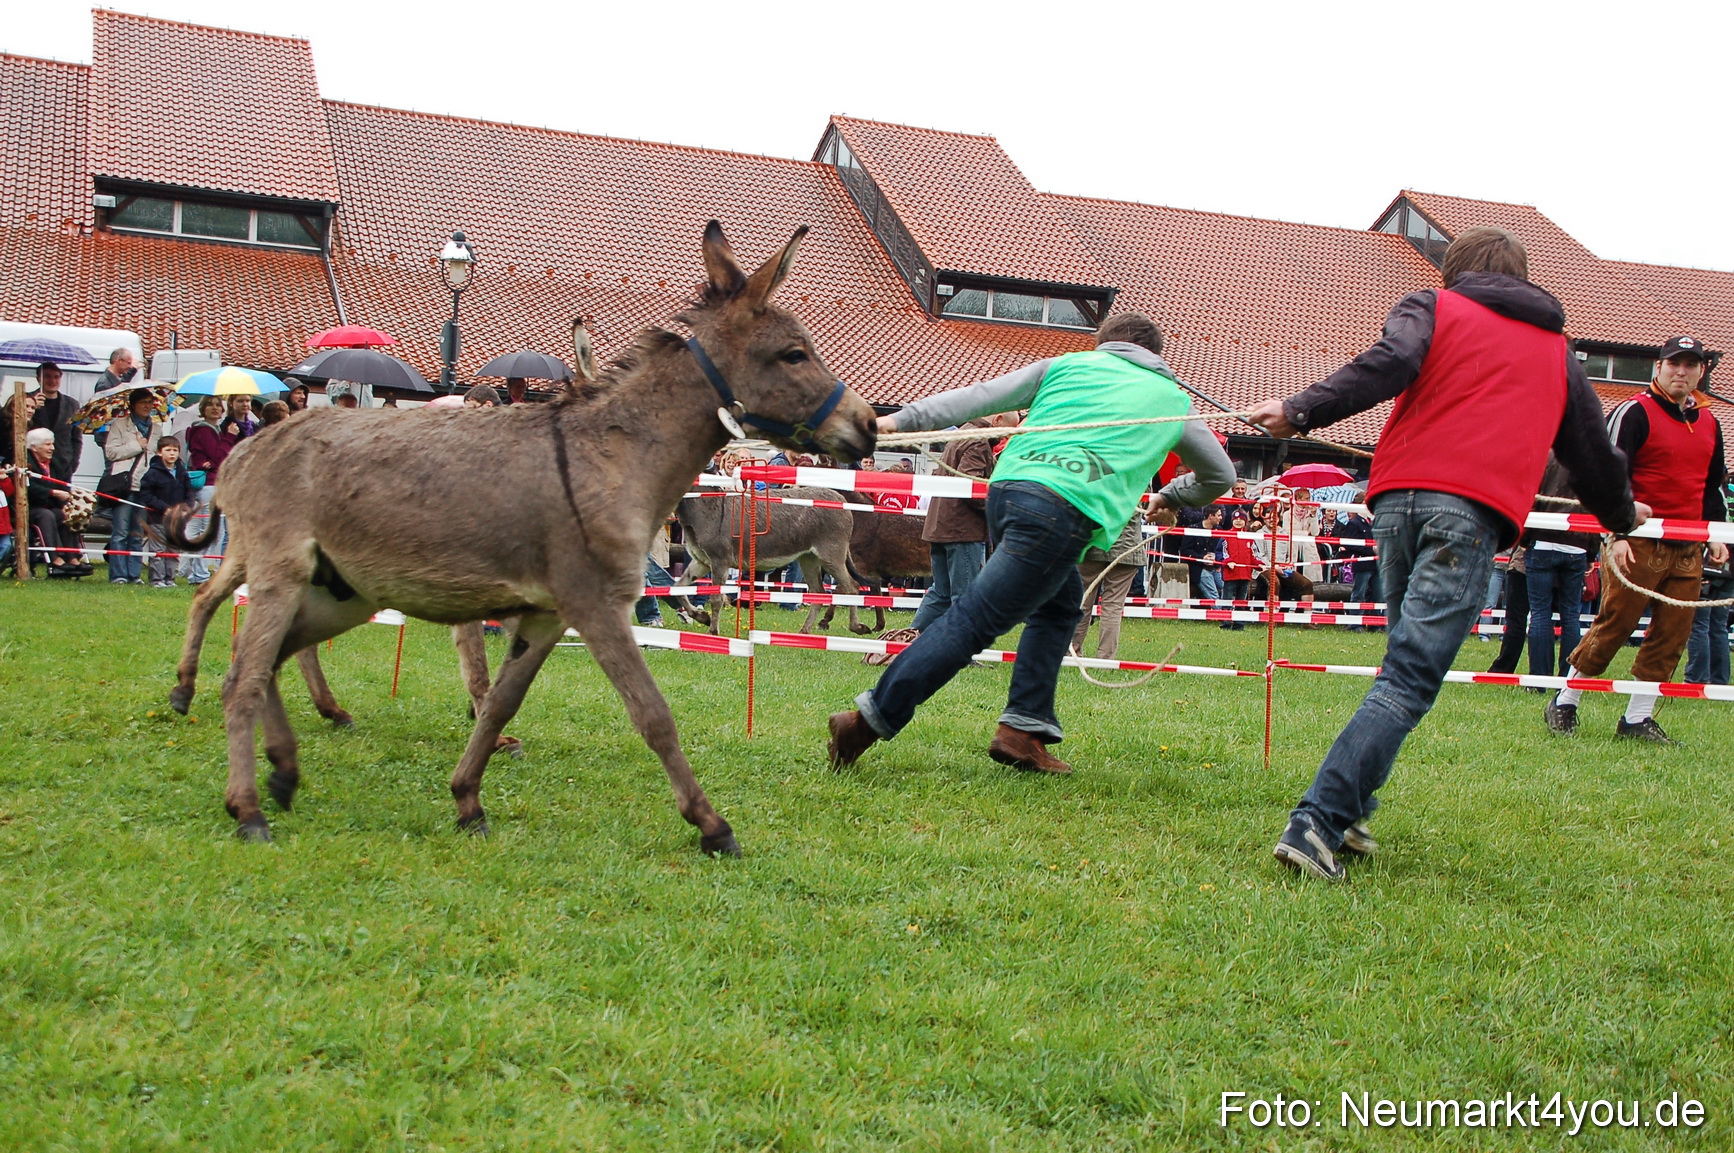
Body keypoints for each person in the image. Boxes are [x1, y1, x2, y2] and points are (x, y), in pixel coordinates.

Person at [1247, 225, 1643, 879]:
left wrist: (1301, 410)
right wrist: (1623, 518)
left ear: (1454, 273)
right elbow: (1592, 454)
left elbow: (1385, 364)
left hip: (1394, 504)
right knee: (1409, 677)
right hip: (1469, 516)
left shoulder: (1433, 306)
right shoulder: (1559, 353)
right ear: (1523, 277)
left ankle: (1351, 808)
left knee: (1400, 666)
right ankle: (1317, 821)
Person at [828, 312, 1235, 775]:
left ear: (1102, 344)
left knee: (1059, 608)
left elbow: (978, 396)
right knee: (974, 621)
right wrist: (1173, 496)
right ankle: (867, 721)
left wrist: (899, 421)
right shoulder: (1171, 398)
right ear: (1155, 355)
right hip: (1062, 512)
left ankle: (1023, 729)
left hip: (1009, 493)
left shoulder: (1066, 365)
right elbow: (1220, 474)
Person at [1547, 336, 1727, 742]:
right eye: (1674, 364)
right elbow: (1608, 476)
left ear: (1701, 372)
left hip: (1688, 544)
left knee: (1673, 633)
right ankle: (1566, 700)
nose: (1681, 372)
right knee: (1616, 623)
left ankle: (1637, 718)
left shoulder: (1710, 423)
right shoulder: (1634, 411)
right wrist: (1616, 532)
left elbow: (1712, 484)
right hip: (1638, 538)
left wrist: (1716, 533)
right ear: (1658, 367)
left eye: (1690, 365)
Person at [909, 416, 1009, 633]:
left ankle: (905, 641)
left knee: (940, 593)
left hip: (941, 526)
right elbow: (969, 487)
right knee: (964, 598)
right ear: (999, 420)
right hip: (962, 531)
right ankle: (958, 647)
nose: (1006, 436)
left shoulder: (963, 433)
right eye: (1008, 430)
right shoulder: (978, 441)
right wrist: (996, 507)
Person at [102, 388, 166, 584]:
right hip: (125, 485)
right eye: (143, 402)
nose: (147, 406)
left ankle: (134, 574)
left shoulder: (157, 429)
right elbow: (111, 452)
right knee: (120, 532)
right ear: (133, 405)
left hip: (145, 485)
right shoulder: (120, 425)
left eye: (150, 402)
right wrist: (136, 445)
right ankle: (118, 575)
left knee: (138, 533)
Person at [1071, 511, 1148, 659]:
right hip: (1127, 547)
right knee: (1113, 605)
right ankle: (1105, 659)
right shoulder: (1137, 493)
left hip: (1094, 545)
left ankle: (1072, 652)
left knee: (1082, 602)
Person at [22, 428, 94, 577]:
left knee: (64, 515)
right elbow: (28, 487)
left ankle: (72, 557)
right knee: (46, 516)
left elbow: (63, 484)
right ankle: (55, 559)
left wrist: (66, 503)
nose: (52, 448)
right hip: (29, 507)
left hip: (51, 505)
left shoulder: (54, 463)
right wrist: (52, 492)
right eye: (48, 444)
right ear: (34, 447)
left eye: (52, 444)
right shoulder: (25, 462)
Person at [180, 395, 229, 585]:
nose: (215, 408)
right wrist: (230, 437)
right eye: (210, 405)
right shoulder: (204, 430)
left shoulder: (216, 430)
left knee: (200, 531)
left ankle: (189, 570)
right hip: (208, 485)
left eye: (218, 405)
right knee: (211, 532)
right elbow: (219, 457)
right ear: (203, 409)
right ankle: (199, 574)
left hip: (214, 483)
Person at [136, 435, 193, 587]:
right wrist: (164, 508)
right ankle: (157, 579)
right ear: (159, 452)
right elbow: (147, 495)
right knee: (158, 550)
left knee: (173, 550)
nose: (172, 453)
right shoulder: (152, 473)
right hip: (158, 519)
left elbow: (189, 493)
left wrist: (186, 509)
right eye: (168, 450)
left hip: (177, 520)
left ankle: (170, 579)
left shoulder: (182, 472)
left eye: (175, 450)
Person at [28, 362, 83, 481]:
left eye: (56, 377)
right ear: (38, 378)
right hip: (34, 464)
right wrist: (32, 408)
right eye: (47, 376)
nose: (52, 381)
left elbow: (76, 437)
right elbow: (19, 428)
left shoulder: (72, 404)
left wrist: (73, 463)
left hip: (63, 465)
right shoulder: (28, 400)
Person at [1686, 543, 1731, 685]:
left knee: (1699, 625)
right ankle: (1719, 681)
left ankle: (1696, 679)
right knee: (1719, 627)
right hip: (1730, 570)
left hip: (1708, 566)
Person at [1219, 509, 1265, 630]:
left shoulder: (1249, 537)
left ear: (1245, 521)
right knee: (1227, 600)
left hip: (1245, 575)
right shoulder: (1226, 536)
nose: (1238, 521)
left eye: (1241, 519)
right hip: (1230, 575)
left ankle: (1239, 624)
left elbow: (1254, 554)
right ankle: (1226, 623)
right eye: (1236, 519)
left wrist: (1259, 564)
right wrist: (1228, 561)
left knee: (1241, 601)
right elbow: (1221, 552)